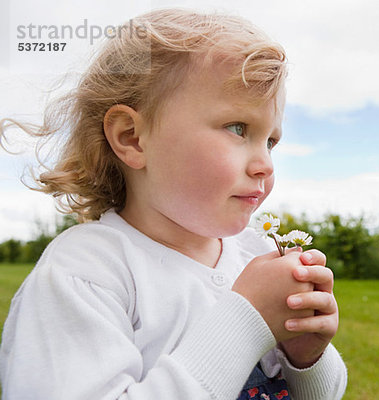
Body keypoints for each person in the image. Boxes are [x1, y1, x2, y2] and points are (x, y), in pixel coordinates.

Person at [0, 9, 347, 399]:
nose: (265, 164)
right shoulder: (87, 271)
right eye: (238, 128)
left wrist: (306, 356)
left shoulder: (257, 254)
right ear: (132, 137)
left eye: (270, 141)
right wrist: (246, 319)